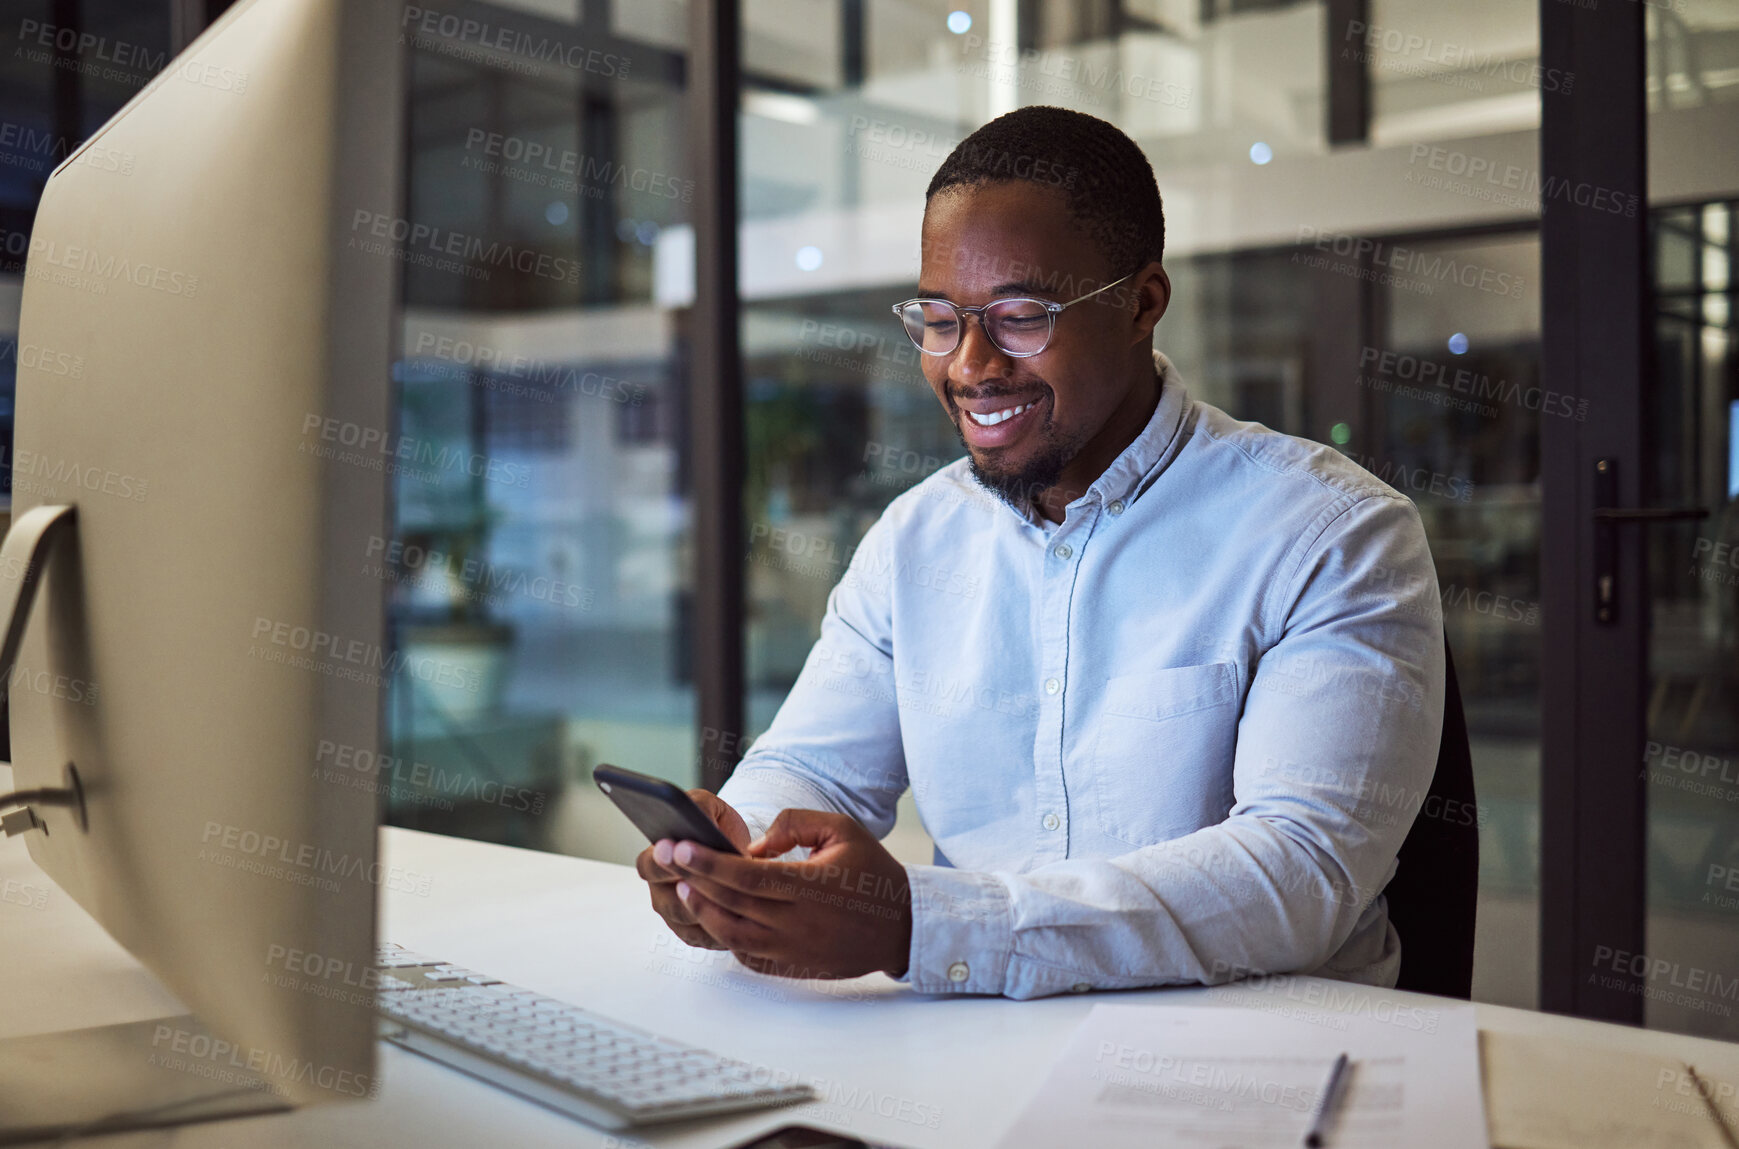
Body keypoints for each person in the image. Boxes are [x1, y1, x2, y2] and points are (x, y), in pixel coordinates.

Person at [635, 105, 1445, 999]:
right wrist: (734, 861)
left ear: (1142, 304)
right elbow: (815, 767)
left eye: (1020, 314)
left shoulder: (1331, 531)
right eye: (939, 318)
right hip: (972, 1044)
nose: (970, 364)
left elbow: (1297, 873)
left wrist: (921, 923)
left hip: (1248, 1061)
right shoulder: (914, 540)